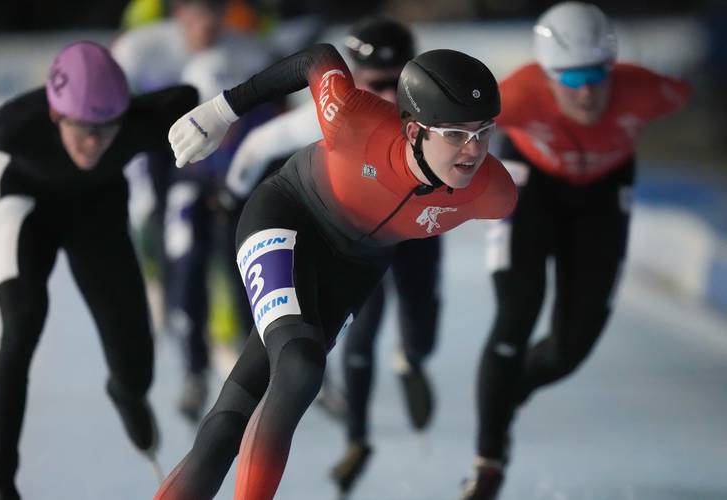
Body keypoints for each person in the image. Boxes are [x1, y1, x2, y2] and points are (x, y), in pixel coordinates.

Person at [155, 39, 516, 500]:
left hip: (355, 265)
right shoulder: (352, 119)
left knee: (243, 400)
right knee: (301, 366)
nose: (472, 151)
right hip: (290, 214)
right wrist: (222, 111)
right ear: (413, 132)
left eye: (483, 132)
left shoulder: (493, 193)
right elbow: (317, 58)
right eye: (454, 134)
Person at [459, 3, 692, 499]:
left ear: (612, 68)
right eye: (570, 77)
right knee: (516, 314)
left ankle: (506, 392)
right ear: (547, 75)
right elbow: (437, 123)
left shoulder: (648, 90)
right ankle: (489, 462)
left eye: (595, 74)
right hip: (531, 185)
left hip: (603, 197)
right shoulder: (517, 93)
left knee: (571, 349)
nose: (585, 91)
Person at [226, 16, 442, 494]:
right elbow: (258, 145)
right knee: (363, 332)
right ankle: (358, 437)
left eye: (396, 82)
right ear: (355, 79)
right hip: (358, 238)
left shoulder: (433, 116)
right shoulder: (330, 114)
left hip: (417, 227)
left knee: (422, 319)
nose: (386, 95)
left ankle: (411, 359)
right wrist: (230, 195)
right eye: (374, 83)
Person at [0, 41, 198, 500]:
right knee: (20, 328)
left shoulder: (137, 123)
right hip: (30, 208)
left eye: (107, 128)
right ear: (57, 116)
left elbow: (189, 96)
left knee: (136, 372)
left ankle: (126, 393)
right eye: (84, 129)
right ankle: (1, 480)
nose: (95, 142)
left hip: (99, 217)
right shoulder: (15, 126)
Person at [113, 0, 279, 422]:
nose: (205, 24)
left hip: (229, 188)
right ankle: (194, 366)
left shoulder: (248, 53)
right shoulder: (141, 50)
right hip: (172, 187)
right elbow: (133, 134)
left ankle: (241, 360)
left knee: (241, 270)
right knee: (182, 264)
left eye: (215, 13)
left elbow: (277, 128)